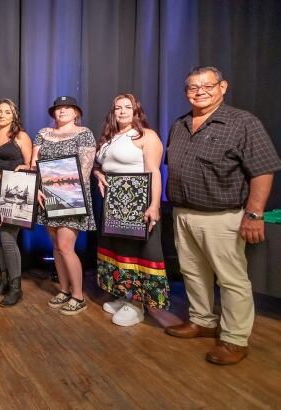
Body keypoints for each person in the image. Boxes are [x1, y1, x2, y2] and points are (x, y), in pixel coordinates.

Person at [164, 66, 281, 365]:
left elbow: (263, 170)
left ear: (223, 87)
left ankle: (234, 339)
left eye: (207, 85)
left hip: (222, 215)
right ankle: (202, 320)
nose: (200, 91)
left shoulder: (243, 123)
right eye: (192, 87)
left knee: (231, 280)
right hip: (183, 212)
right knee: (192, 272)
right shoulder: (180, 124)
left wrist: (254, 214)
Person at [93, 94, 170, 327]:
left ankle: (138, 306)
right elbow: (101, 165)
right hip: (113, 203)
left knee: (138, 252)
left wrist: (154, 205)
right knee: (118, 250)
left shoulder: (147, 136)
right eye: (118, 107)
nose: (123, 111)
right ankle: (124, 296)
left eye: (128, 107)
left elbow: (154, 172)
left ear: (137, 111)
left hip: (138, 201)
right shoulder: (110, 138)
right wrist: (98, 174)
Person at [32, 96, 96, 316]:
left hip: (72, 195)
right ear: (53, 113)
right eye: (58, 108)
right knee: (56, 246)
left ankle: (78, 296)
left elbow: (85, 169)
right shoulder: (42, 134)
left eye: (67, 108)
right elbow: (34, 164)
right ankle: (64, 289)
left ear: (76, 112)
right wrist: (38, 187)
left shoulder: (84, 133)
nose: (62, 111)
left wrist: (67, 191)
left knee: (66, 245)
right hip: (47, 195)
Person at [0, 99, 33, 307]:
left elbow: (30, 166)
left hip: (15, 193)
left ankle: (16, 288)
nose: (2, 115)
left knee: (7, 238)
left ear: (14, 115)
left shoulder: (21, 136)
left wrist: (16, 170)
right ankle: (4, 282)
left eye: (7, 112)